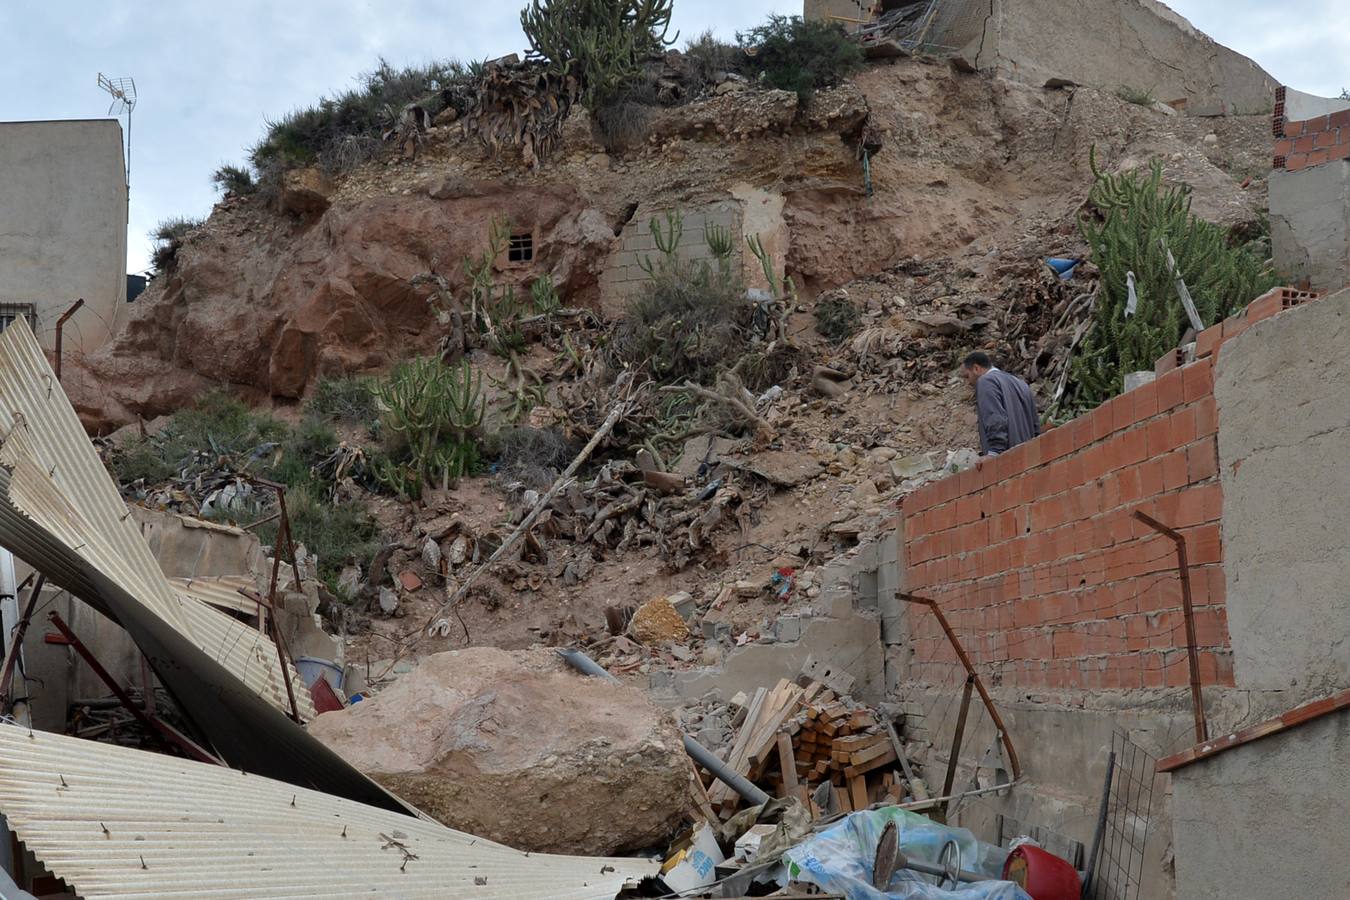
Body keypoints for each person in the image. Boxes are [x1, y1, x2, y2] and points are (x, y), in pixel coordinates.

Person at [962, 351, 1040, 457]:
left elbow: (994, 417)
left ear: (976, 368)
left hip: (1008, 459)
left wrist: (994, 451)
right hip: (1030, 456)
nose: (968, 382)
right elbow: (1035, 424)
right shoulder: (1020, 383)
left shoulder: (986, 382)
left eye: (967, 376)